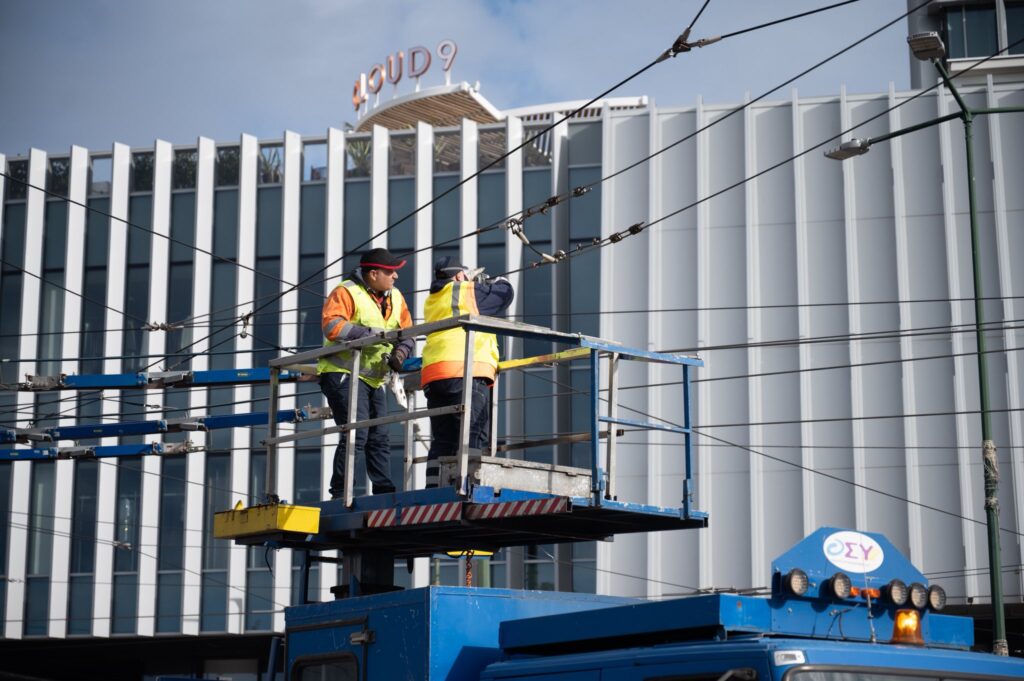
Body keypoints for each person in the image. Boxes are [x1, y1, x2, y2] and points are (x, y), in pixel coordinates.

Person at [318, 248, 414, 499]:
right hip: (343, 372)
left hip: (372, 377)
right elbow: (331, 325)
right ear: (373, 274)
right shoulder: (346, 291)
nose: (395, 277)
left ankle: (383, 491)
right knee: (357, 432)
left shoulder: (396, 297)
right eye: (390, 272)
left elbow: (408, 331)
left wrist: (401, 353)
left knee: (380, 436)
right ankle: (340, 492)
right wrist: (366, 334)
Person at [421, 256, 514, 487]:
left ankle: (433, 487)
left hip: (435, 374)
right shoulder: (463, 290)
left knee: (442, 438)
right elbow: (505, 293)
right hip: (465, 369)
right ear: (460, 275)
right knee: (472, 433)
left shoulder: (432, 299)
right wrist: (497, 280)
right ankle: (468, 484)